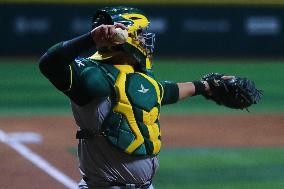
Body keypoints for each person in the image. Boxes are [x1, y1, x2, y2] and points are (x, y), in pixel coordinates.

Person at [39, 6, 211, 189]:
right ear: (123, 37)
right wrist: (91, 38)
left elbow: (164, 91)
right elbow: (49, 64)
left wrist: (206, 86)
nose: (145, 39)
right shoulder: (90, 74)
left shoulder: (135, 74)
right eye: (140, 33)